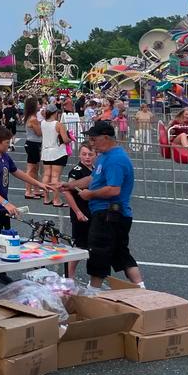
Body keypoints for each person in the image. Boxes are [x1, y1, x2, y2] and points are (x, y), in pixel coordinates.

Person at [62, 120, 144, 289]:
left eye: (94, 139)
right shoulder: (104, 157)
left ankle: (93, 292)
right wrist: (70, 185)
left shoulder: (115, 160)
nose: (92, 144)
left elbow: (114, 190)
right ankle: (141, 288)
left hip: (109, 214)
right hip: (112, 214)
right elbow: (93, 179)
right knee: (120, 253)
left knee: (99, 253)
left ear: (105, 137)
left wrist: (89, 194)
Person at [0, 125, 48, 238]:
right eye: (6, 142)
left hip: (1, 206)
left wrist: (38, 184)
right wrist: (6, 203)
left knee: (4, 238)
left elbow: (16, 171)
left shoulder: (4, 156)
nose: (9, 144)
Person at [61, 141, 94, 277]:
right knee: (79, 246)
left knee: (91, 245)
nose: (87, 157)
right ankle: (69, 276)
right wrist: (77, 212)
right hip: (81, 212)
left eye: (90, 154)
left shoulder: (95, 169)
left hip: (93, 211)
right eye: (84, 154)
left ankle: (94, 277)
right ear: (79, 155)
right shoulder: (76, 171)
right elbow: (67, 191)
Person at [40, 103, 70, 206]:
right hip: (57, 151)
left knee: (46, 175)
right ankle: (56, 200)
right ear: (56, 113)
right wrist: (70, 138)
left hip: (46, 151)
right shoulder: (58, 124)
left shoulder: (43, 123)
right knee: (55, 176)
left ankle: (46, 198)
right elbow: (65, 140)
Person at [22, 96, 43, 200]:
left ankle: (36, 189)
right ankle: (28, 190)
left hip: (33, 143)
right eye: (38, 104)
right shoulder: (33, 119)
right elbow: (39, 133)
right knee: (31, 169)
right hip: (33, 144)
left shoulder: (31, 117)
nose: (40, 106)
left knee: (35, 168)